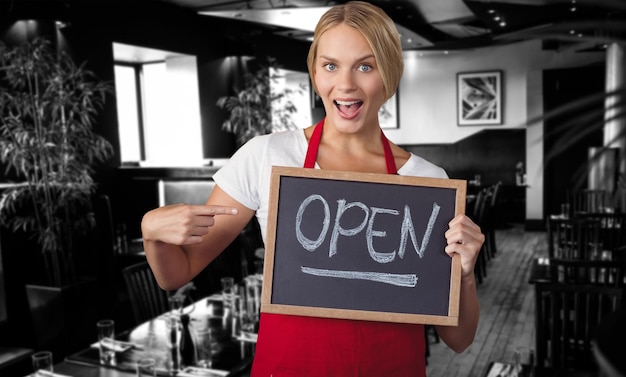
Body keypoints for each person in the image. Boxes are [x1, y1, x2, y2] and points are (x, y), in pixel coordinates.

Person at [141, 1, 483, 375]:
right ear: (315, 72)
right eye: (330, 65)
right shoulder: (266, 155)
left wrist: (464, 274)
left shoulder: (428, 183)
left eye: (365, 66)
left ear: (390, 73)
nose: (346, 84)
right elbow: (176, 274)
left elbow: (459, 340)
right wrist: (152, 234)